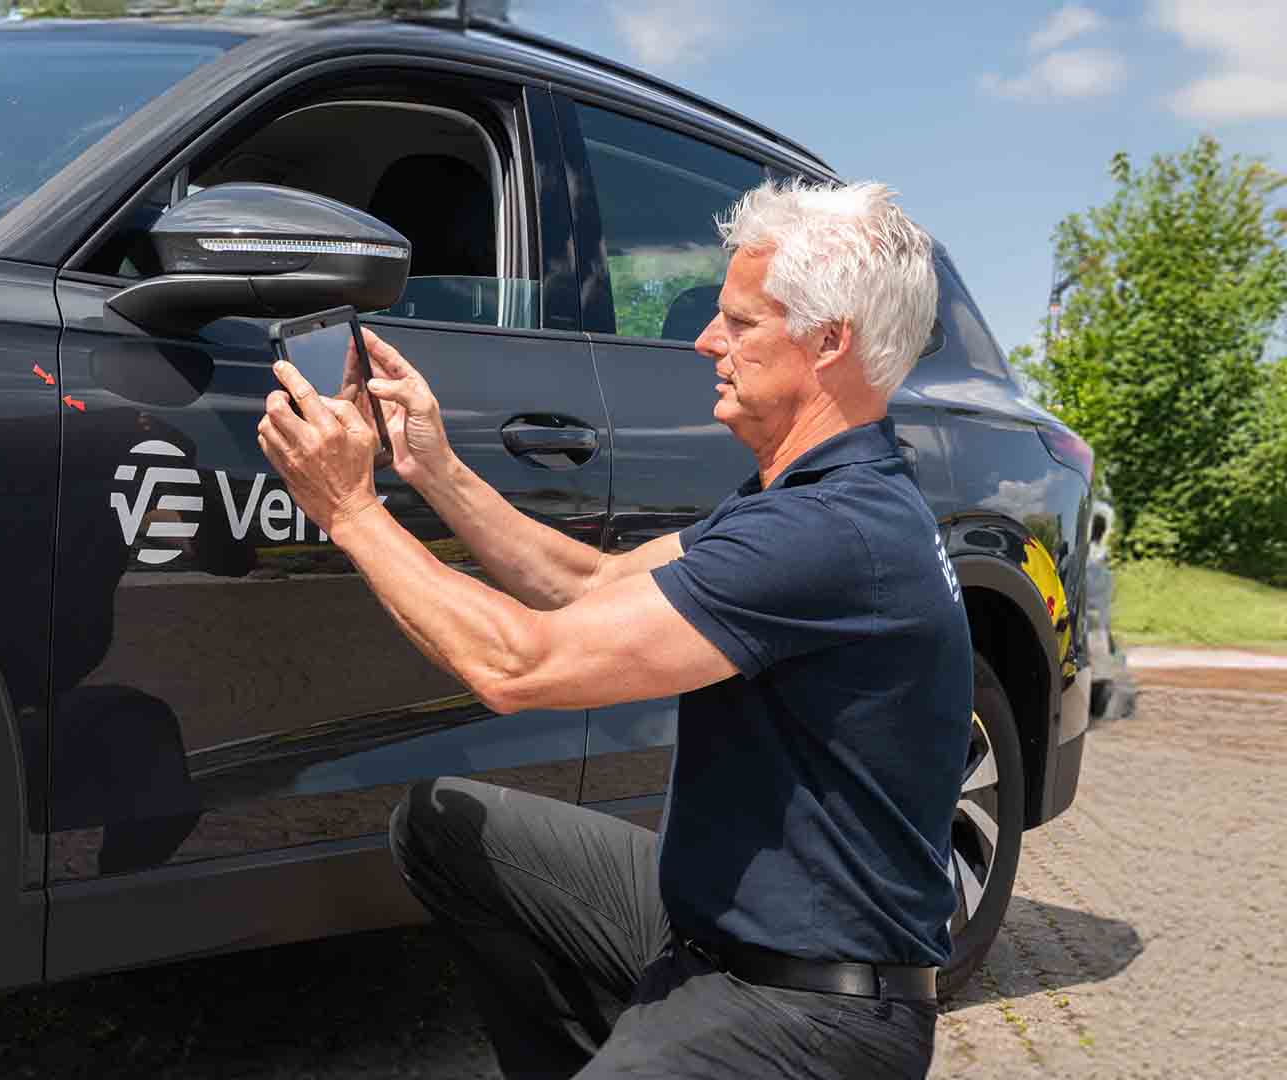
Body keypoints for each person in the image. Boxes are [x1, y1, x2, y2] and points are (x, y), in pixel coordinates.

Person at [257, 179, 970, 1078]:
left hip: (806, 1010)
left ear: (829, 342)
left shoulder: (830, 534)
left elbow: (517, 666)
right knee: (442, 825)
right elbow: (586, 582)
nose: (708, 341)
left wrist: (351, 511)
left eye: (741, 324)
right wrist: (430, 465)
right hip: (707, 930)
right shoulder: (811, 502)